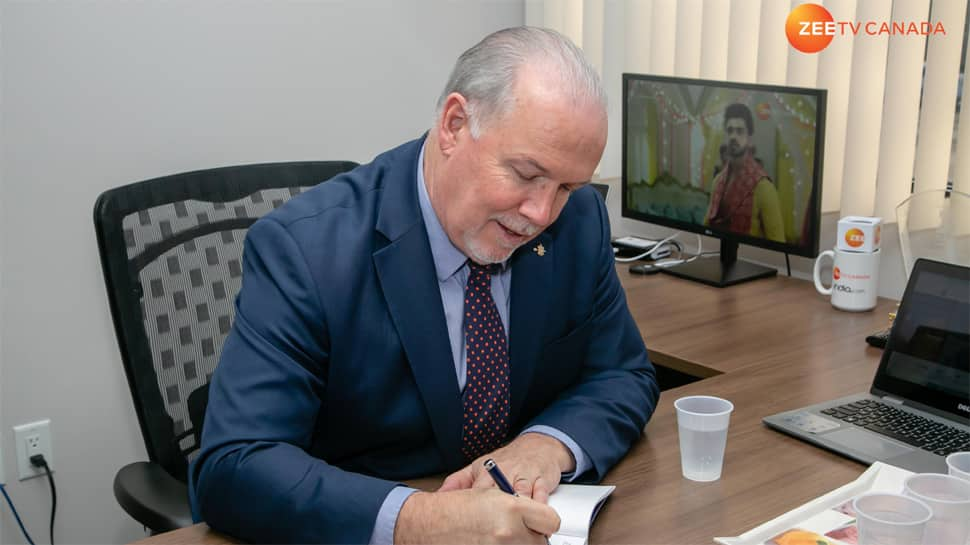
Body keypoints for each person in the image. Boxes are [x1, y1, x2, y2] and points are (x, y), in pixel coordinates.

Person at [189, 26, 660, 545]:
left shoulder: (580, 222)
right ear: (455, 125)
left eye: (566, 187)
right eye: (527, 174)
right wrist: (424, 521)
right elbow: (236, 463)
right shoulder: (305, 252)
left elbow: (623, 373)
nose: (541, 214)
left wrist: (545, 445)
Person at [704, 103, 785, 242]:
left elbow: (778, 243)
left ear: (749, 138)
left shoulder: (764, 187)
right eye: (729, 131)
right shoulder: (718, 181)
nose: (733, 137)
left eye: (740, 131)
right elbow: (705, 227)